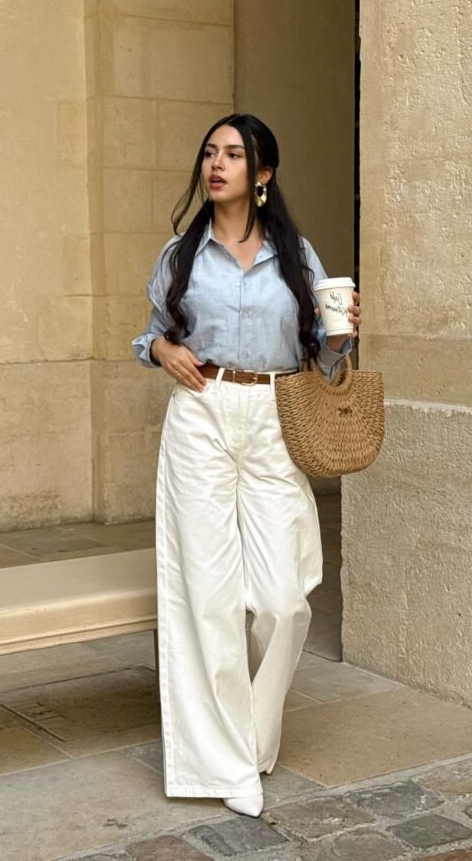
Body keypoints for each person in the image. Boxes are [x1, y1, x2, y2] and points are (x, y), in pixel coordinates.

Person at [132, 113, 361, 818]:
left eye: (234, 154)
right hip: (201, 414)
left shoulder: (296, 256)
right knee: (206, 597)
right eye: (209, 152)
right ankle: (223, 765)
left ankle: (250, 741)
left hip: (272, 418)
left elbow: (326, 353)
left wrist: (344, 330)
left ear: (262, 176)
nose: (217, 164)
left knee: (286, 600)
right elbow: (152, 335)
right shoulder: (182, 253)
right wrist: (160, 352)